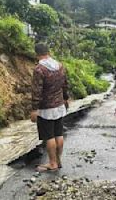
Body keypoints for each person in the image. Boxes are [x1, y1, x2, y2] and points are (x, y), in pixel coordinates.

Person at [30, 43, 69, 172]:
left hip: (46, 109)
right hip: (59, 106)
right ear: (49, 52)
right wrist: (65, 98)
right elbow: (65, 84)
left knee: (49, 136)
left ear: (37, 54)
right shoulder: (60, 66)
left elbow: (37, 91)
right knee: (58, 133)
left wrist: (34, 109)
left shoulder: (39, 69)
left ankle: (52, 163)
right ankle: (58, 160)